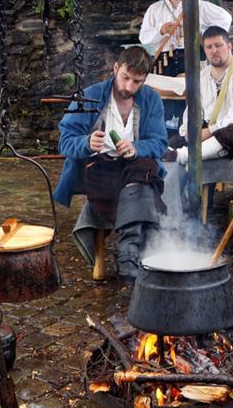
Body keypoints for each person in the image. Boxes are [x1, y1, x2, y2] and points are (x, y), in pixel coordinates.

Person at [53, 47, 167, 284]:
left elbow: (159, 143)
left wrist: (137, 148)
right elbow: (65, 142)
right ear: (116, 68)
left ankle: (127, 254)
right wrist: (86, 142)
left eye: (137, 81)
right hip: (98, 167)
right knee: (142, 183)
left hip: (134, 166)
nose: (129, 87)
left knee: (143, 171)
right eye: (125, 77)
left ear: (144, 80)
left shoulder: (151, 99)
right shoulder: (91, 95)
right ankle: (135, 255)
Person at [169, 26, 233, 165]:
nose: (214, 50)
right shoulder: (202, 76)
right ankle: (188, 154)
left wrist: (207, 132)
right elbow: (194, 108)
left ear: (229, 46)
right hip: (210, 127)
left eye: (218, 45)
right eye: (209, 47)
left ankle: (184, 156)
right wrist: (190, 130)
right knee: (175, 139)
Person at [139, 0, 232, 76]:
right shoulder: (154, 9)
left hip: (193, 58)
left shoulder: (199, 5)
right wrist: (160, 31)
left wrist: (203, 35)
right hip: (164, 63)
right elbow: (144, 39)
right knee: (164, 90)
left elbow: (225, 18)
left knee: (196, 91)